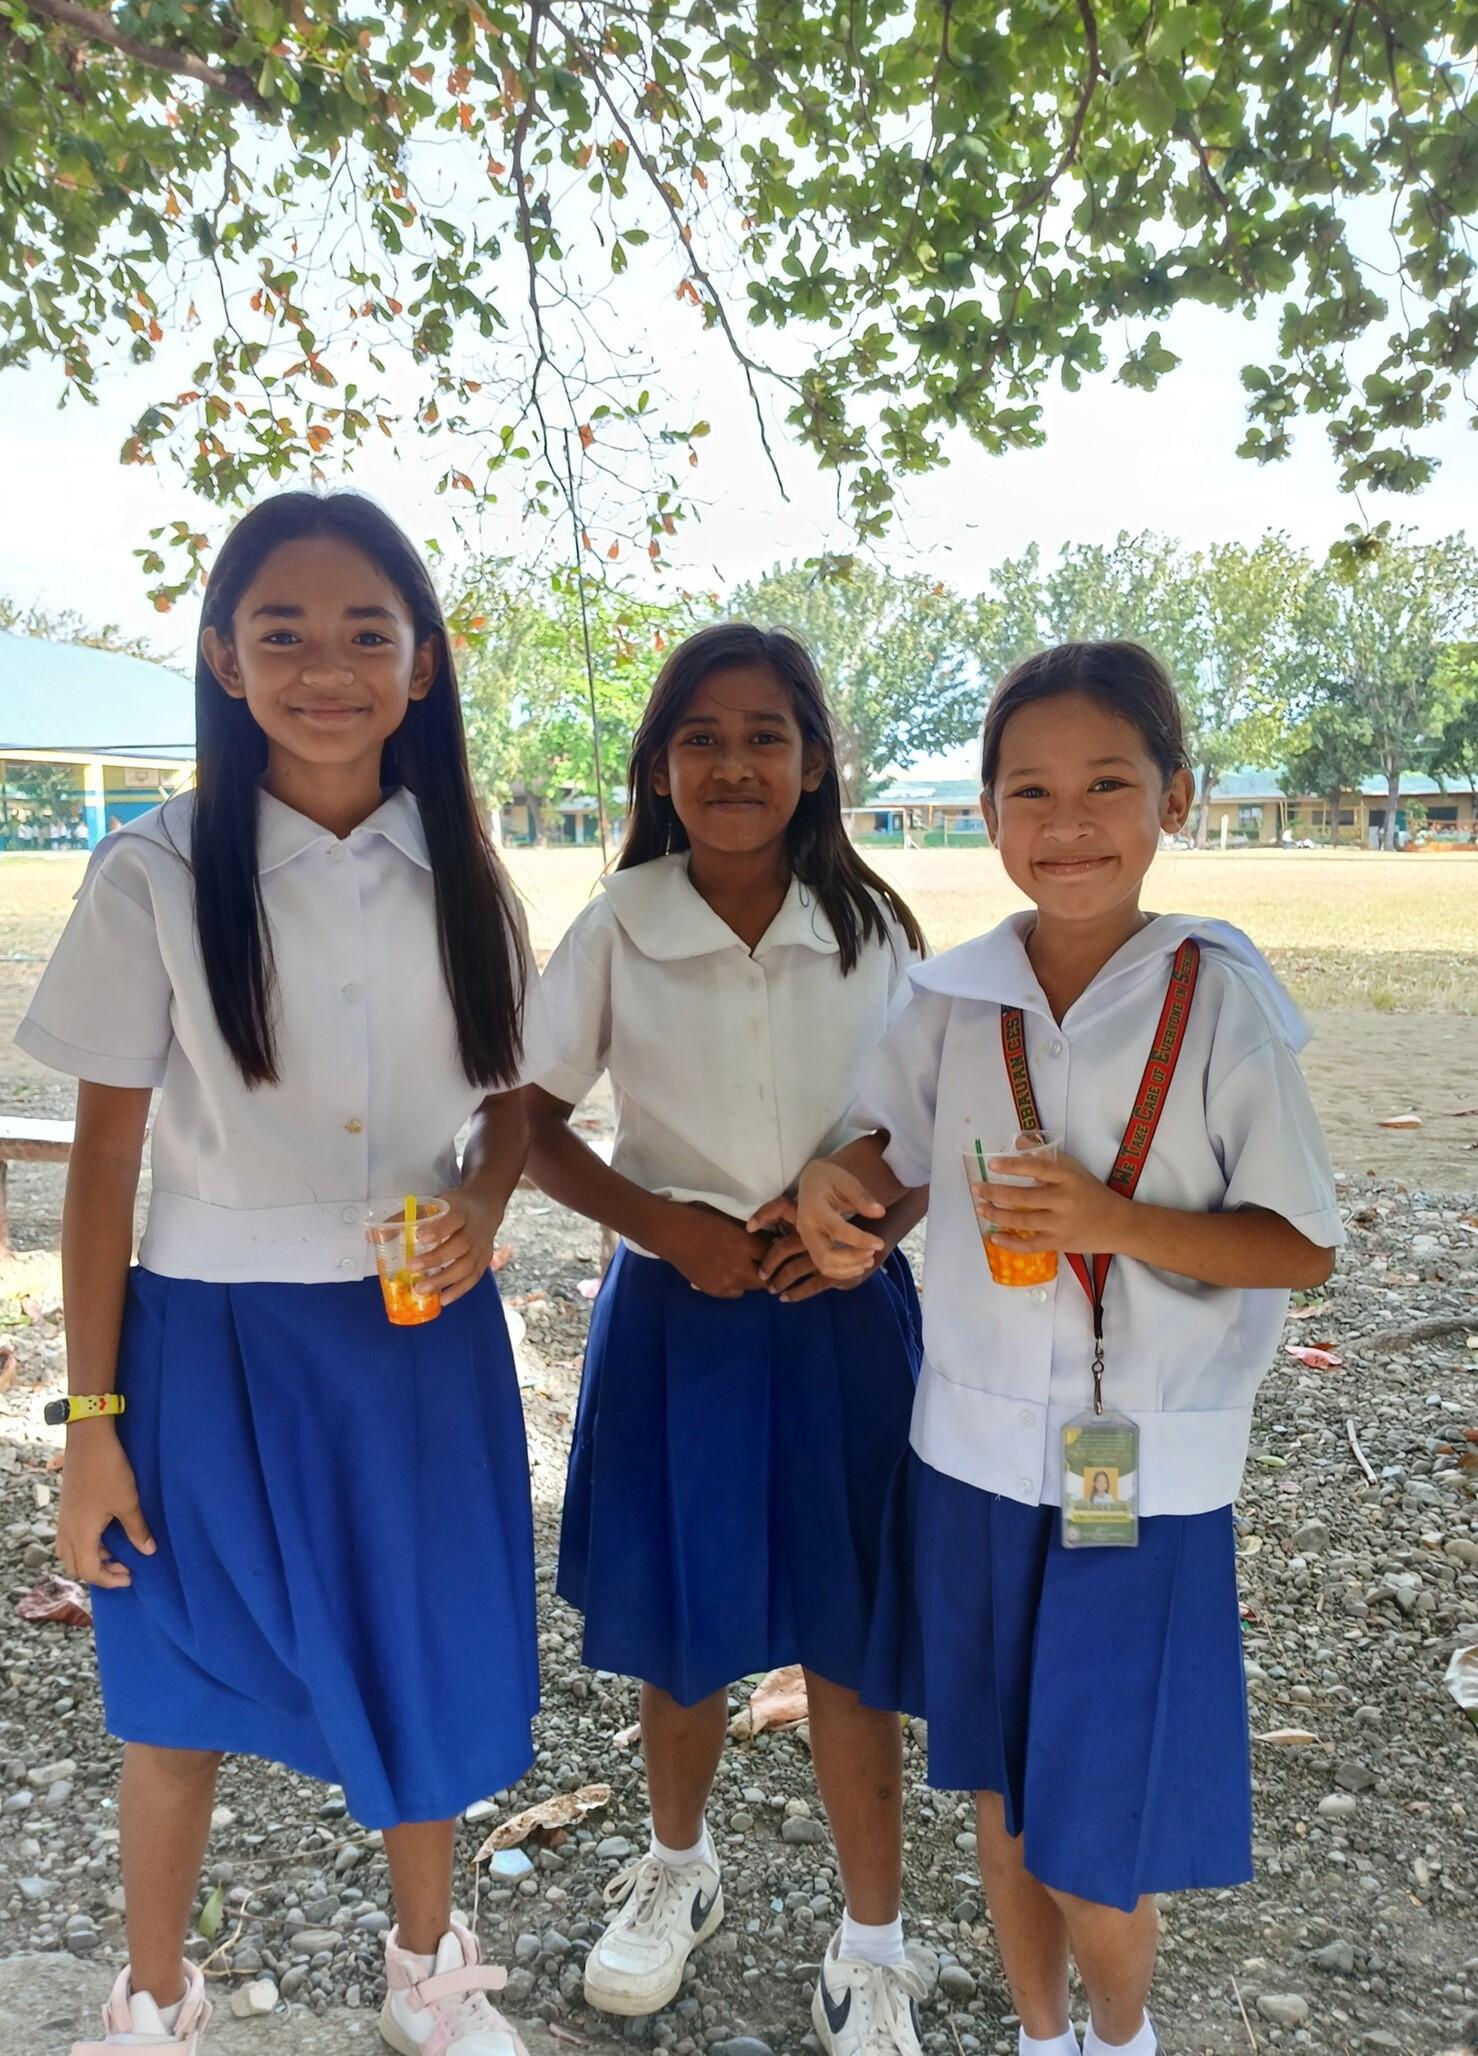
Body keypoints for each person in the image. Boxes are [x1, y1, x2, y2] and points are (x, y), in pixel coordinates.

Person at [17, 490, 544, 2056]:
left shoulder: (466, 873)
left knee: (417, 1651)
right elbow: (103, 1168)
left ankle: (425, 1970)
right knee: (175, 1675)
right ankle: (154, 1994)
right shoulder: (153, 871)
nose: (327, 667)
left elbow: (512, 1105)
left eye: (367, 633)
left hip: (417, 1341)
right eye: (283, 631)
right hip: (207, 1347)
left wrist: (481, 1202)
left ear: (423, 664)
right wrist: (90, 1424)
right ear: (223, 659)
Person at [795, 641, 1341, 2056]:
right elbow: (894, 1155)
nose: (1068, 822)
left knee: (1094, 1829)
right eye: (1029, 791)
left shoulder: (1216, 997)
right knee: (1002, 1791)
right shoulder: (955, 995)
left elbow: (1298, 1245)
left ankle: (1119, 2034)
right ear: (987, 814)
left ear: (1176, 798)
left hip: (1139, 1475)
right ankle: (1042, 2035)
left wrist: (1112, 1221)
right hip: (974, 1459)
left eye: (1107, 784)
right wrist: (838, 1196)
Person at [525, 624, 930, 2056]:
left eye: (767, 735)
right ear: (656, 768)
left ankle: (873, 1943)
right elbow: (528, 1122)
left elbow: (930, 1127)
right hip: (678, 1316)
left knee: (849, 1631)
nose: (733, 762)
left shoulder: (874, 932)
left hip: (842, 1318)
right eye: (699, 736)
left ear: (816, 763)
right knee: (683, 1622)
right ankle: (677, 1868)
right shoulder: (619, 925)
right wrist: (660, 1224)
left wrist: (867, 1225)